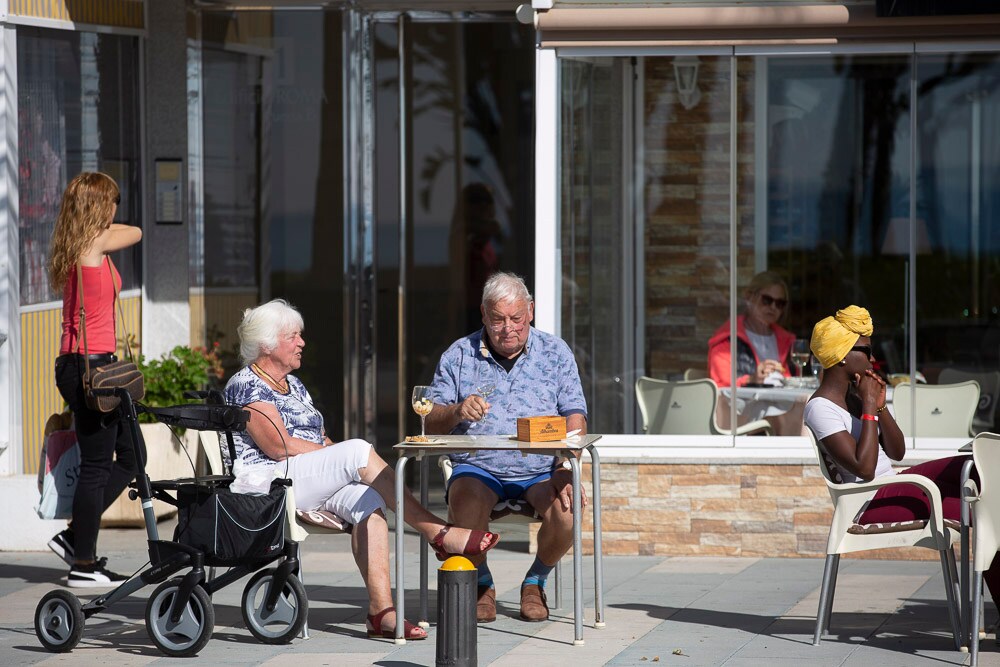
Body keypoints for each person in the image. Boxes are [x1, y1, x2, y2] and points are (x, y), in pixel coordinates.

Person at [224, 299, 499, 640]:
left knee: (369, 499)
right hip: (268, 482)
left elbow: (317, 438)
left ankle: (381, 612)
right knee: (356, 450)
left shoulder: (293, 385)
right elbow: (276, 446)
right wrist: (341, 457)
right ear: (268, 344)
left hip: (301, 477)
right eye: (294, 336)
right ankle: (437, 532)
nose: (302, 343)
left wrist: (336, 458)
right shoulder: (245, 384)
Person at [803, 305, 1000, 601]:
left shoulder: (853, 399)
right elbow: (864, 469)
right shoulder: (820, 408)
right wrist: (869, 406)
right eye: (866, 350)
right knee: (983, 510)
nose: (872, 359)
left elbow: (896, 450)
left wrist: (879, 406)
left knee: (975, 468)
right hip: (869, 501)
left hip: (894, 484)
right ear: (842, 354)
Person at [424, 272, 588, 623]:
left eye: (516, 318)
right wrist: (455, 411)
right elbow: (428, 421)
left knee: (569, 510)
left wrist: (566, 466)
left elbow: (575, 414)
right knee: (464, 498)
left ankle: (535, 581)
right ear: (483, 314)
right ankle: (483, 584)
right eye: (498, 319)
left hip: (542, 469)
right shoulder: (458, 355)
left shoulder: (555, 352)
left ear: (530, 311)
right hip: (479, 468)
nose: (507, 328)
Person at [47, 172, 144, 587]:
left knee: (132, 455)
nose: (117, 211)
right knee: (98, 465)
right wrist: (105, 224)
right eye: (112, 202)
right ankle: (82, 563)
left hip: (91, 365)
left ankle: (75, 538)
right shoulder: (92, 243)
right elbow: (137, 232)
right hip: (89, 369)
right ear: (97, 206)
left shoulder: (79, 243)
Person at [708, 270, 796, 388]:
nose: (773, 307)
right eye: (767, 300)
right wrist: (751, 379)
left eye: (780, 303)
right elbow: (721, 383)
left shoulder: (787, 341)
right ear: (749, 297)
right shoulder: (727, 338)